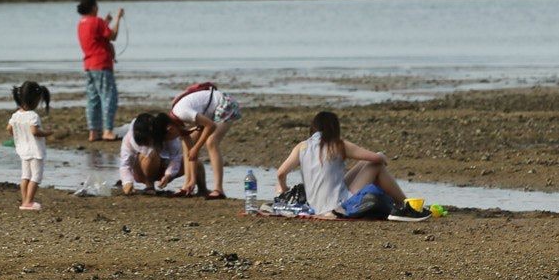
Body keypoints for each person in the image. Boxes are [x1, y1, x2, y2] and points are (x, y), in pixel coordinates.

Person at [273, 110, 423, 220]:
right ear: (334, 129)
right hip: (338, 204)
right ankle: (405, 205)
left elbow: (281, 173)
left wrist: (283, 189)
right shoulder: (338, 144)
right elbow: (376, 159)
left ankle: (403, 205)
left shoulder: (301, 146)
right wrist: (382, 155)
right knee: (376, 165)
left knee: (365, 162)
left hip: (314, 205)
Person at [170, 82, 241, 198]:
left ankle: (219, 190)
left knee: (212, 142)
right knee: (187, 143)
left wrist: (197, 148)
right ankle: (187, 185)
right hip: (207, 112)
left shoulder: (182, 113)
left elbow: (211, 126)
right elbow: (191, 152)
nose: (172, 139)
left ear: (169, 128)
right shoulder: (176, 121)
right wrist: (193, 179)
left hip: (224, 103)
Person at [76, 0, 124, 141]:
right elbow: (112, 36)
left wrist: (106, 22)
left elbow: (97, 35)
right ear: (93, 8)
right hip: (101, 64)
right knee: (109, 97)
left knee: (93, 99)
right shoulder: (97, 21)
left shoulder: (82, 23)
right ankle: (107, 130)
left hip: (89, 65)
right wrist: (118, 18)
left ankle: (93, 131)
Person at [9, 81, 52, 211]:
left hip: (22, 150)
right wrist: (47, 133)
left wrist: (19, 136)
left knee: (25, 176)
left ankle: (24, 201)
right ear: (36, 99)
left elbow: (9, 128)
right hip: (35, 151)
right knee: (36, 177)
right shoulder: (33, 116)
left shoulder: (16, 115)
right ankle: (29, 201)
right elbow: (35, 131)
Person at [117, 112, 185, 194]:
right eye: (146, 143)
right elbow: (125, 164)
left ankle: (198, 189)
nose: (149, 143)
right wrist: (127, 182)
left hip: (163, 168)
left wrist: (168, 175)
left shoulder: (166, 132)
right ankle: (149, 185)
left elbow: (176, 157)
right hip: (141, 171)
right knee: (151, 153)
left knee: (193, 162)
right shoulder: (129, 138)